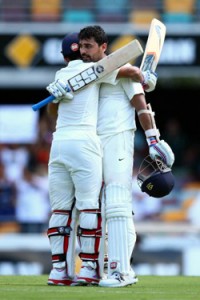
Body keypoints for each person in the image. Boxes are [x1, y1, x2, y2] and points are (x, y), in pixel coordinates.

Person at [50, 26, 174, 287]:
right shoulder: (90, 72)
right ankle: (103, 267)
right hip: (92, 143)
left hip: (118, 137)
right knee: (96, 208)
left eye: (87, 47)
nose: (83, 53)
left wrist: (153, 138)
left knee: (117, 203)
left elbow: (141, 103)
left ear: (103, 47)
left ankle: (121, 272)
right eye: (81, 48)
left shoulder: (119, 67)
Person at [45, 33, 126, 286]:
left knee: (60, 209)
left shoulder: (59, 76)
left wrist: (55, 99)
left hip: (59, 144)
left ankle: (59, 270)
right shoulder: (94, 69)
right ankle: (89, 267)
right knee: (89, 206)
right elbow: (129, 71)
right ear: (81, 50)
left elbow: (51, 110)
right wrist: (146, 76)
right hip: (85, 143)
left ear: (63, 55)